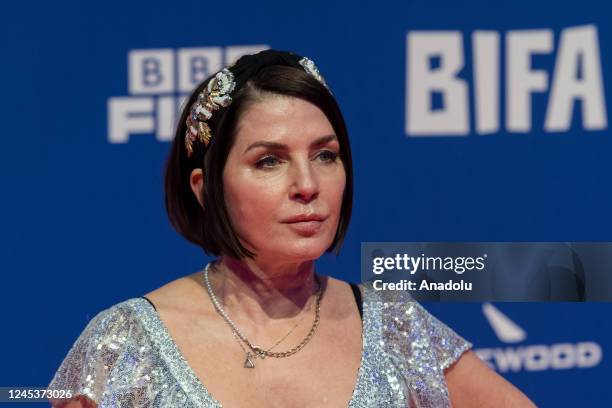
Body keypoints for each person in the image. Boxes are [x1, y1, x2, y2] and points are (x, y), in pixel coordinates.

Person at [48, 49, 535, 407]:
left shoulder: (393, 326)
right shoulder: (125, 343)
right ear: (204, 187)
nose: (307, 184)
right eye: (269, 162)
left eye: (326, 155)